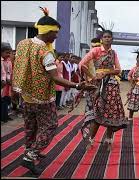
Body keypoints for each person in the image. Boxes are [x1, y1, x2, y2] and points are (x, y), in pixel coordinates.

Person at [12, 7, 96, 174]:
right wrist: (78, 85)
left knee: (31, 126)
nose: (56, 36)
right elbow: (55, 78)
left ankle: (29, 150)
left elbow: (19, 66)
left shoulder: (23, 44)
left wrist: (16, 89)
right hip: (42, 97)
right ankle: (30, 156)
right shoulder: (46, 52)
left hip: (26, 95)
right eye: (55, 33)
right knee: (50, 125)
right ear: (48, 32)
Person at [79, 28, 128, 151]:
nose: (107, 39)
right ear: (101, 39)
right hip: (98, 86)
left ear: (112, 39)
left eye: (109, 37)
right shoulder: (96, 50)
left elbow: (118, 70)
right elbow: (82, 64)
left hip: (111, 84)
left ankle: (108, 139)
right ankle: (90, 138)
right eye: (105, 37)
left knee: (112, 112)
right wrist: (93, 76)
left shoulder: (113, 53)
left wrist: (107, 72)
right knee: (98, 111)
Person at [1, 42, 13, 123]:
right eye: (7, 52)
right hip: (2, 83)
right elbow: (2, 72)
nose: (8, 54)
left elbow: (8, 72)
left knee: (6, 99)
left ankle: (5, 116)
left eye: (9, 52)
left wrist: (8, 79)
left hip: (6, 84)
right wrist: (3, 80)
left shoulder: (8, 61)